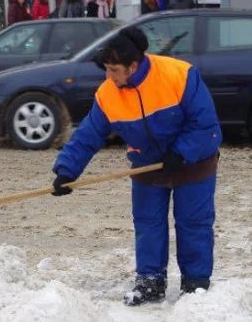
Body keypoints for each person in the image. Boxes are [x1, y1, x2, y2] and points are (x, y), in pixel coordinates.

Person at [50, 27, 222, 306]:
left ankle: (196, 283)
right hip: (146, 165)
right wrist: (66, 170)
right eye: (106, 69)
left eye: (114, 70)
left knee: (193, 223)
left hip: (194, 162)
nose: (109, 77)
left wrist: (182, 152)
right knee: (148, 223)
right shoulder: (108, 93)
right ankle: (150, 281)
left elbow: (205, 124)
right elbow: (89, 133)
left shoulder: (179, 75)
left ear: (133, 65)